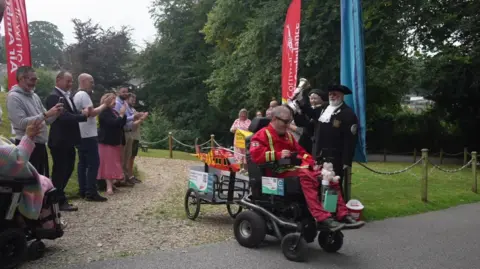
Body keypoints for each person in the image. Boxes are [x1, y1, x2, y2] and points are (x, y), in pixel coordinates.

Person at [249, 106, 363, 231]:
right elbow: (255, 155)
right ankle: (322, 217)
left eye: (289, 122)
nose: (288, 125)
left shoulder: (289, 136)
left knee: (329, 176)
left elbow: (302, 152)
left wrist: (312, 163)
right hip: (274, 174)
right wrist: (278, 154)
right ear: (275, 119)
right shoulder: (262, 135)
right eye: (285, 122)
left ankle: (342, 214)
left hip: (292, 170)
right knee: (307, 176)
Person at [0, 120, 63, 228]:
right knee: (45, 184)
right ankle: (46, 224)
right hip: (10, 184)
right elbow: (17, 161)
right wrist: (28, 137)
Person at [296, 85, 358, 193]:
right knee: (317, 183)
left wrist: (346, 161)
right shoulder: (324, 108)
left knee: (333, 185)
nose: (332, 96)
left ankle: (334, 209)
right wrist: (300, 100)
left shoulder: (348, 114)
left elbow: (350, 140)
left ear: (342, 96)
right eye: (330, 94)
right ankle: (319, 207)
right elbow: (310, 112)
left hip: (335, 157)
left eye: (335, 94)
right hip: (318, 154)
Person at [6, 66, 63, 177]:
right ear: (22, 78)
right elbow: (21, 123)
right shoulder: (13, 97)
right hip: (26, 146)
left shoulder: (34, 96)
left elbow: (46, 121)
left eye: (36, 79)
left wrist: (56, 113)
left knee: (41, 181)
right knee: (30, 184)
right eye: (32, 79)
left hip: (40, 145)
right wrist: (46, 114)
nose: (35, 83)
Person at [46, 71, 89, 212]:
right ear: (58, 79)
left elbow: (72, 113)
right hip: (60, 140)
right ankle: (57, 199)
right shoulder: (54, 96)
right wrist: (82, 116)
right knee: (60, 170)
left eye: (71, 81)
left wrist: (80, 114)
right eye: (68, 81)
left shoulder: (66, 96)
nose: (70, 84)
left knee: (68, 168)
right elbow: (63, 117)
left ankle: (59, 196)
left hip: (68, 140)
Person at [73, 73, 109, 202]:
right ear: (83, 81)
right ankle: (91, 191)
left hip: (80, 134)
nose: (93, 84)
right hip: (88, 134)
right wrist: (105, 105)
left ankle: (83, 189)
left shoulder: (76, 95)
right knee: (93, 163)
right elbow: (92, 113)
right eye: (91, 82)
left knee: (82, 163)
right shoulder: (84, 95)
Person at [97, 93, 128, 195]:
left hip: (114, 141)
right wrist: (121, 114)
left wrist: (123, 114)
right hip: (106, 141)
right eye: (113, 100)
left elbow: (120, 123)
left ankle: (112, 184)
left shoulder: (113, 111)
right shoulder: (104, 112)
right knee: (108, 164)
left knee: (114, 162)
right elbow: (113, 124)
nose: (115, 102)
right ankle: (108, 187)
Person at [115, 86, 142, 186]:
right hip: (123, 132)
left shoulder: (125, 103)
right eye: (123, 92)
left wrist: (137, 116)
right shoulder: (117, 104)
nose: (125, 93)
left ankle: (126, 177)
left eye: (126, 92)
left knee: (127, 156)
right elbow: (121, 119)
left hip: (129, 132)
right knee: (122, 157)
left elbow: (129, 116)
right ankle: (120, 179)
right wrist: (134, 117)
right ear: (118, 92)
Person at [294, 88, 328, 154]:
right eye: (311, 98)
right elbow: (300, 123)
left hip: (316, 139)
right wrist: (297, 112)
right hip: (305, 139)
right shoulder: (308, 109)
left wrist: (301, 101)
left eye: (315, 98)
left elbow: (312, 115)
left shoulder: (324, 109)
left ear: (322, 99)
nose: (313, 101)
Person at [127, 93, 148, 183]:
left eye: (134, 100)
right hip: (131, 135)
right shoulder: (127, 110)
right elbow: (132, 125)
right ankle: (129, 176)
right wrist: (142, 118)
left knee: (132, 156)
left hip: (135, 136)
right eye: (132, 100)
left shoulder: (133, 109)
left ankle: (131, 175)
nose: (133, 101)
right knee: (129, 157)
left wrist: (141, 117)